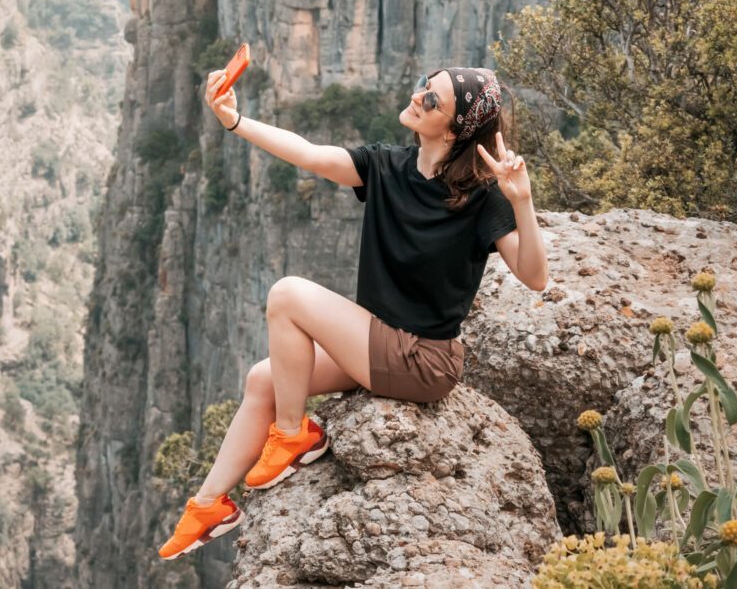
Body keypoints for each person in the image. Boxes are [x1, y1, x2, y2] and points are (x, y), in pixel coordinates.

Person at [158, 66, 549, 560]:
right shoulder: (386, 166)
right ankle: (208, 505)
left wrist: (524, 202)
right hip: (380, 343)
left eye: (433, 100)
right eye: (426, 84)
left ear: (452, 130)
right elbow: (308, 153)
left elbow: (534, 276)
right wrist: (236, 121)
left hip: (425, 361)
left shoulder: (481, 199)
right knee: (266, 379)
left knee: (287, 294)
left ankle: (294, 437)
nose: (418, 96)